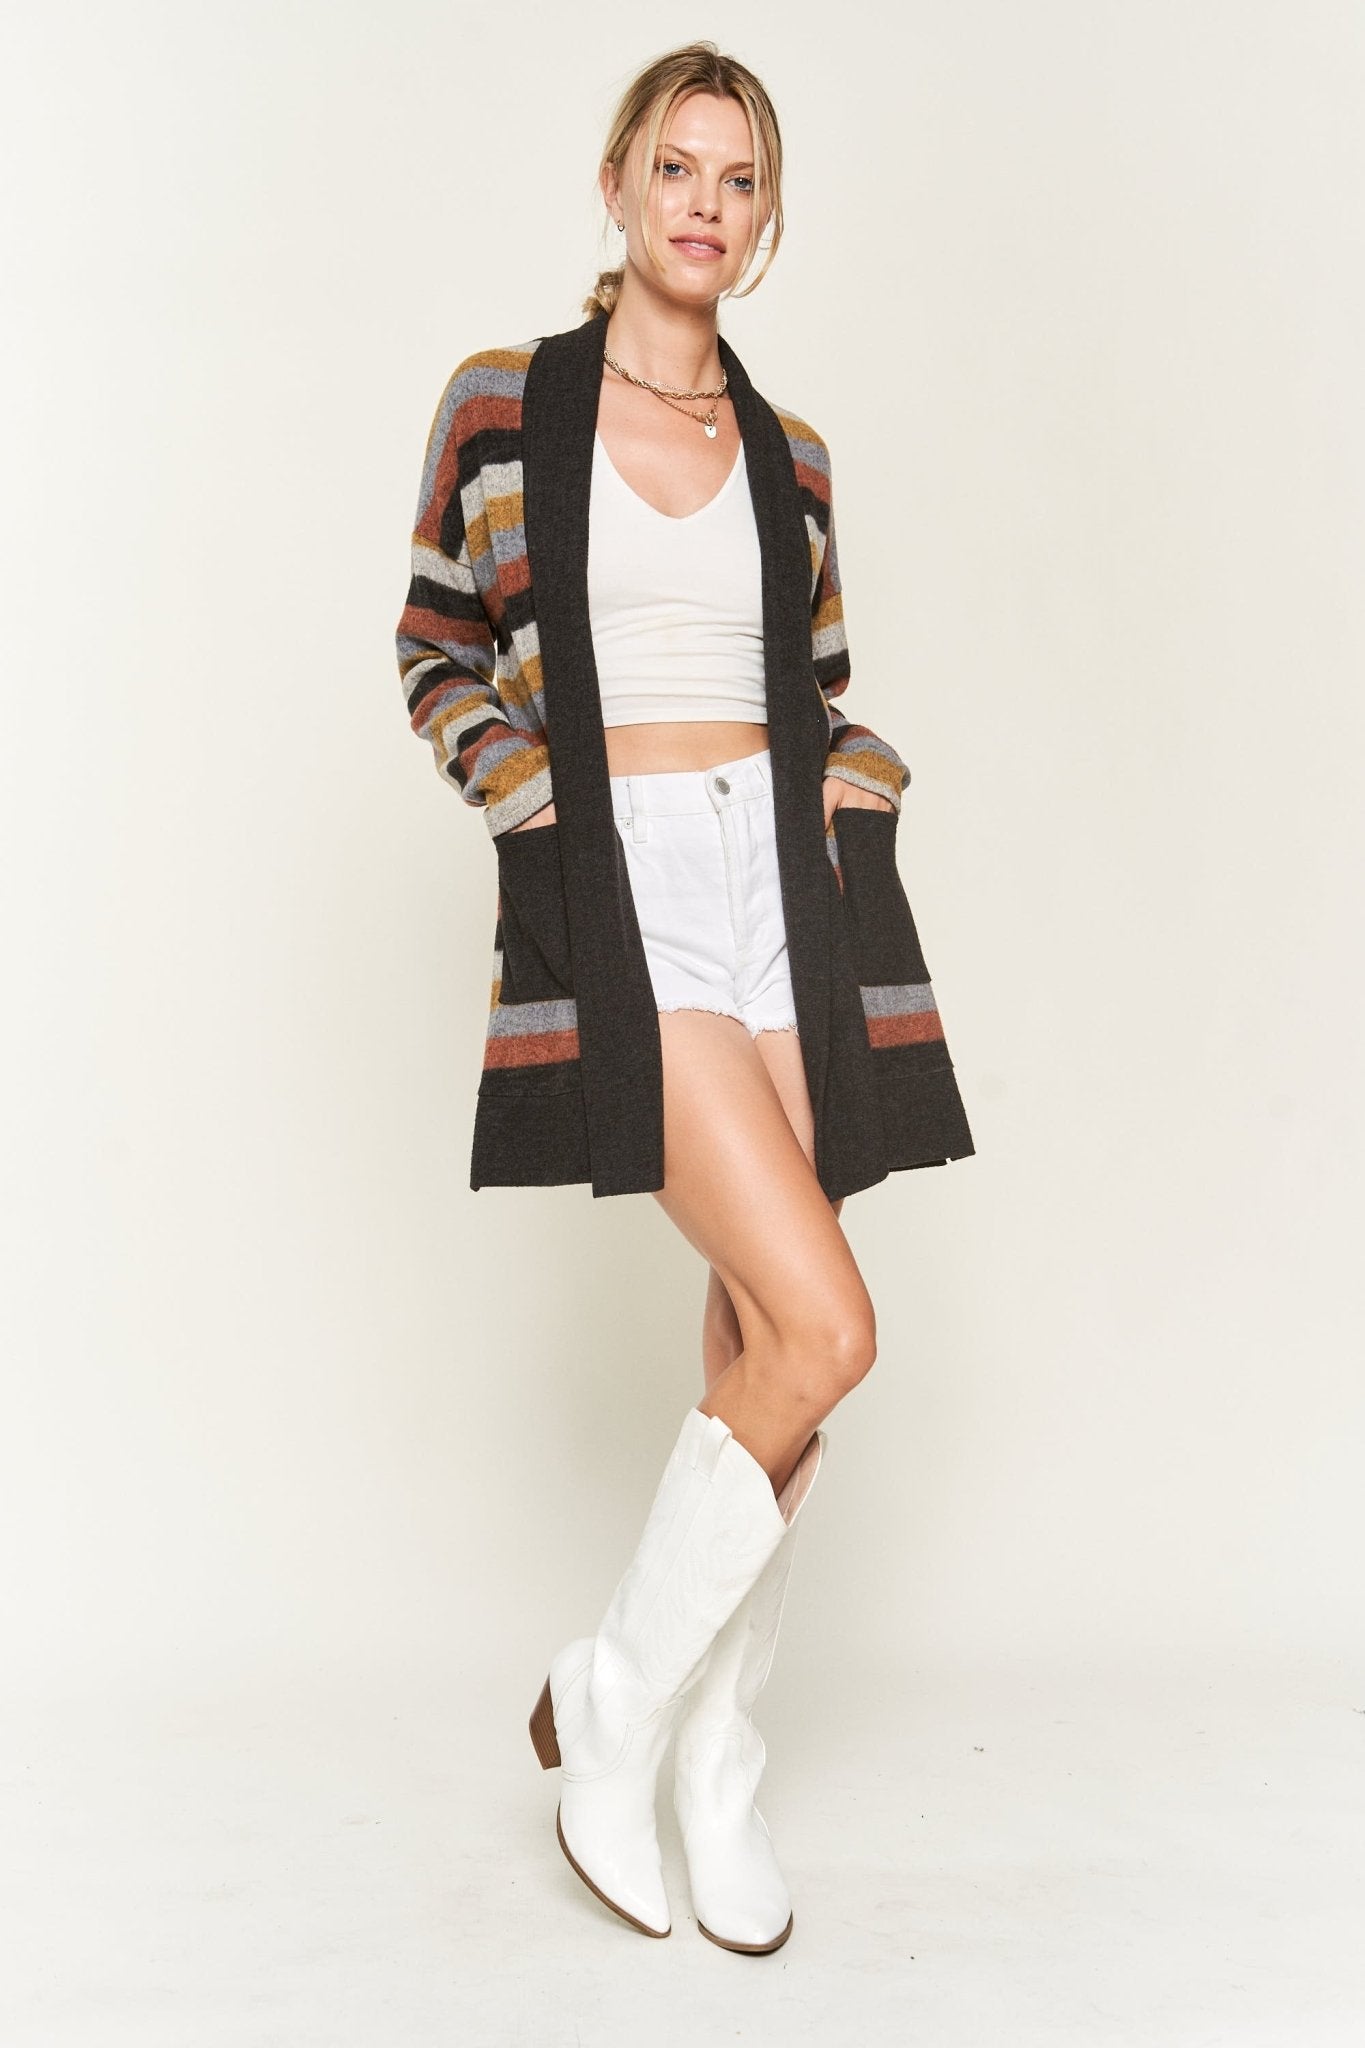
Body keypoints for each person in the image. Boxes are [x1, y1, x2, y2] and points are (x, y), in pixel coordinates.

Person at [394, 41, 975, 1954]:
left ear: (765, 214)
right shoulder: (507, 405)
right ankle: (620, 1705)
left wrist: (858, 789)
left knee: (755, 1322)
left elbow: (817, 680)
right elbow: (435, 644)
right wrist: (535, 807)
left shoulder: (791, 453)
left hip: (776, 886)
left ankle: (709, 1758)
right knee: (828, 1323)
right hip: (623, 873)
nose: (702, 204)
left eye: (737, 179)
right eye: (674, 167)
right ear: (617, 183)